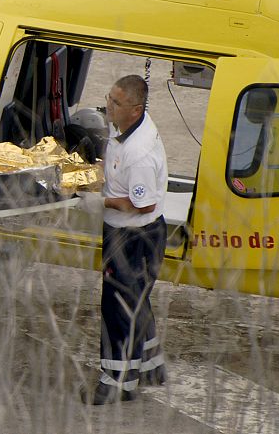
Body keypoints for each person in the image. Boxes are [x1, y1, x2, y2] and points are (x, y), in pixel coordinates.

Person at [77, 75, 168, 405]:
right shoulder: (126, 127)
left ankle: (118, 382)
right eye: (109, 98)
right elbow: (114, 160)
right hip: (131, 233)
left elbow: (143, 204)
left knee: (119, 308)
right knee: (136, 300)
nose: (109, 106)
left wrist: (100, 202)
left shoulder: (140, 152)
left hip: (133, 237)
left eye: (116, 103)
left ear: (136, 109)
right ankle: (151, 366)